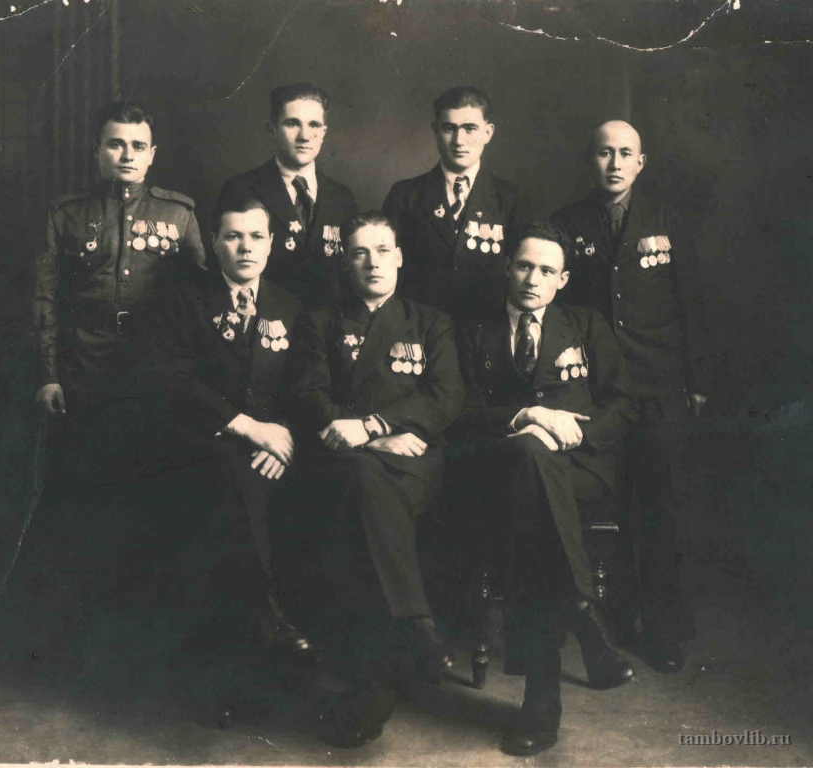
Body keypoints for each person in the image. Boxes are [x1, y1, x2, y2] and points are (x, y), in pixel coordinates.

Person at [453, 222, 638, 756]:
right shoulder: (472, 330)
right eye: (524, 266)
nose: (533, 279)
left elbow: (624, 403)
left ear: (563, 279)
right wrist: (526, 416)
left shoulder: (586, 324)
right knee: (528, 463)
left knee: (532, 500)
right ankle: (579, 611)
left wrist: (576, 432)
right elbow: (457, 412)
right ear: (506, 267)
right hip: (499, 472)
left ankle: (543, 702)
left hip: (580, 471)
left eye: (546, 270)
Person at [286, 211, 464, 747]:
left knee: (364, 503)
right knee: (361, 487)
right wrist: (368, 441)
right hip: (344, 465)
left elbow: (446, 396)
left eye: (383, 250)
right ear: (346, 263)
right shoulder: (320, 321)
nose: (373, 262)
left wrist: (372, 427)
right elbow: (311, 394)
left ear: (400, 257)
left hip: (413, 464)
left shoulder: (430, 321)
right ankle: (413, 630)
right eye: (360, 253)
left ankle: (372, 688)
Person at [551, 120, 711, 673]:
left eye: (625, 153)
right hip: (596, 390)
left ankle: (665, 629)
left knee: (662, 507)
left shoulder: (667, 221)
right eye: (604, 153)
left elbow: (692, 303)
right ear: (590, 160)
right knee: (609, 501)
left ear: (641, 163)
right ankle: (613, 613)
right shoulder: (567, 223)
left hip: (660, 386)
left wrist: (697, 383)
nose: (615, 163)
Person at [144, 197, 312, 662]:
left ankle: (268, 625)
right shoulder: (185, 301)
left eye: (256, 236)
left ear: (271, 243)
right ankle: (266, 615)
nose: (246, 247)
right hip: (202, 439)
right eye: (233, 236)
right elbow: (172, 378)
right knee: (232, 475)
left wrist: (283, 435)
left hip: (272, 443)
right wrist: (248, 428)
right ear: (214, 243)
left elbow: (306, 384)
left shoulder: (290, 306)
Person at [32, 99, 205, 478]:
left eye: (138, 146)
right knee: (83, 473)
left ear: (152, 154)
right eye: (116, 144)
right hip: (84, 366)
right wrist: (49, 375)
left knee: (147, 475)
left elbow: (203, 301)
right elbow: (44, 299)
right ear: (96, 150)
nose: (127, 155)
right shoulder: (66, 214)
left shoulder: (179, 214)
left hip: (155, 365)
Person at [382, 86, 530, 313]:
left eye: (470, 128)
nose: (459, 141)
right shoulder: (405, 195)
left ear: (488, 132)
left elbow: (522, 272)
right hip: (420, 325)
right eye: (449, 128)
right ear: (435, 131)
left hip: (487, 325)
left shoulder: (510, 199)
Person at [216, 83, 358, 307]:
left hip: (328, 322)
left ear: (323, 132)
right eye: (292, 124)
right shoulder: (242, 188)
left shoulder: (342, 199)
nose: (304, 136)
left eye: (314, 125)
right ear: (272, 129)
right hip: (265, 319)